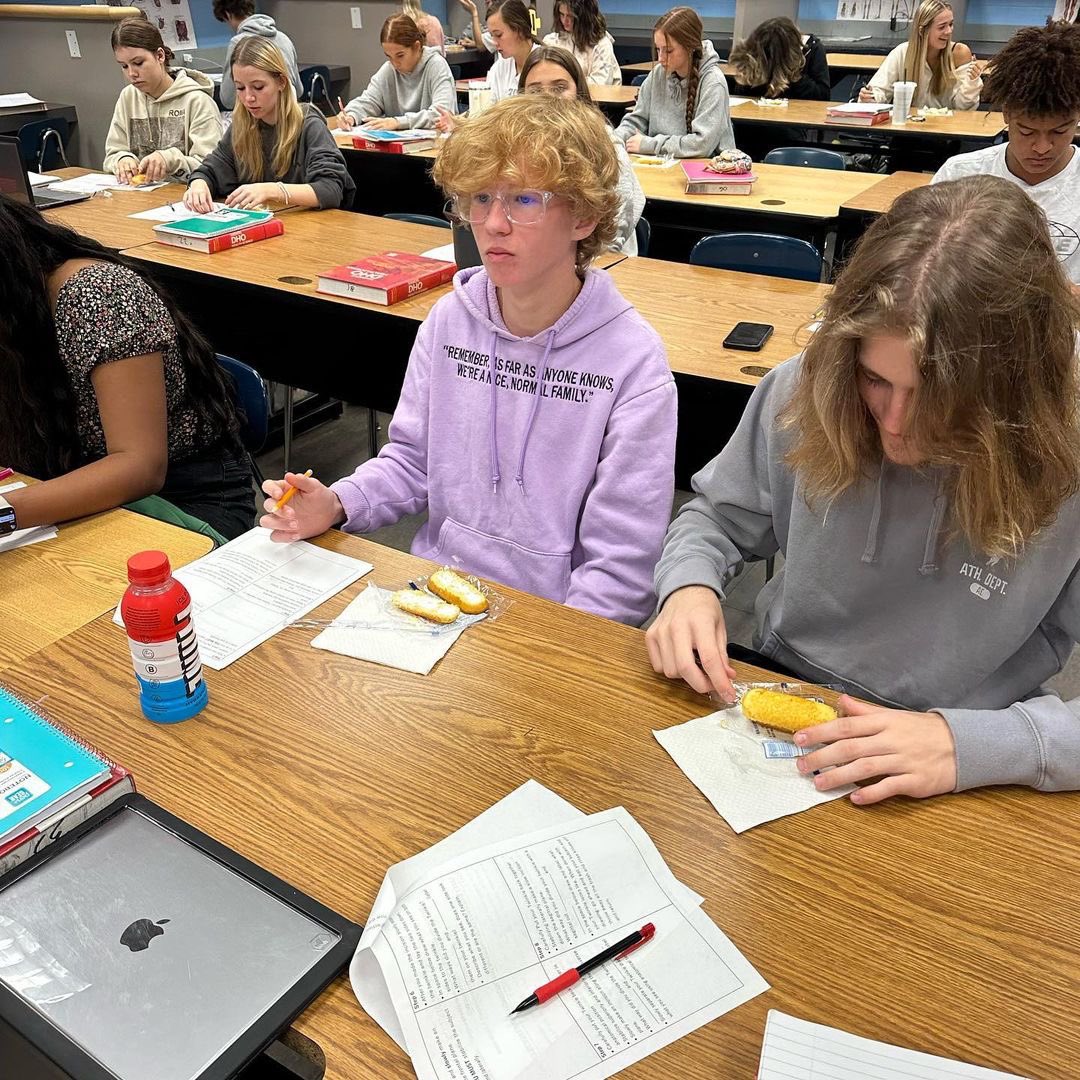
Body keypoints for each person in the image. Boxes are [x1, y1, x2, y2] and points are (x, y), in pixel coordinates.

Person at [647, 175, 1080, 803]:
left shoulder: (1063, 446)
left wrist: (977, 747)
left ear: (1013, 392)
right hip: (784, 685)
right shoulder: (805, 386)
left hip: (963, 745)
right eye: (876, 380)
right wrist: (688, 587)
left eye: (939, 396)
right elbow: (714, 518)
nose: (896, 424)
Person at [259, 95, 677, 626]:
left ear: (585, 216)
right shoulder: (450, 321)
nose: (493, 224)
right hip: (441, 595)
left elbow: (621, 567)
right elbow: (413, 462)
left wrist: (562, 656)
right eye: (480, 198)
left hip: (558, 623)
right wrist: (338, 503)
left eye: (524, 199)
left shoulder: (632, 364)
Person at [0, 195, 254, 539]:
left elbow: (140, 468)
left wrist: (6, 514)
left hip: (179, 500)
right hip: (64, 483)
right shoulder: (17, 309)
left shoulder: (99, 296)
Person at [932, 19, 1080, 287]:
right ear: (1007, 114)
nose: (1042, 147)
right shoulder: (960, 176)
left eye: (1059, 132)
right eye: (1026, 131)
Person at [185, 37, 354, 212]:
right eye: (240, 88)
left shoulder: (308, 124)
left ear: (281, 82)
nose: (248, 98)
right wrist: (199, 184)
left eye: (258, 87)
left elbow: (330, 189)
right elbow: (211, 169)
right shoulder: (243, 125)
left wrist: (273, 190)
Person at [520, 46, 643, 254]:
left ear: (578, 91)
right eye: (536, 90)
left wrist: (579, 267)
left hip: (601, 259)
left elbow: (619, 216)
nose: (549, 97)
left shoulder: (604, 142)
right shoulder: (519, 146)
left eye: (559, 88)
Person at [103, 16, 222, 185]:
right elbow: (112, 154)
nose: (131, 74)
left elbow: (213, 168)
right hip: (137, 198)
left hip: (186, 199)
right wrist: (122, 159)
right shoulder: (127, 97)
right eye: (124, 66)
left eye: (138, 63)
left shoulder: (197, 101)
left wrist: (171, 160)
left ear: (160, 56)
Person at [615, 7, 734, 159]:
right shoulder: (658, 74)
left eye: (668, 51)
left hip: (703, 171)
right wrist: (615, 141)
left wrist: (649, 145)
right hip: (660, 165)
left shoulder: (713, 82)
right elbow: (636, 121)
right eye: (658, 49)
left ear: (690, 47)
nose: (660, 58)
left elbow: (701, 145)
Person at [337, 15, 455, 131]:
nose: (395, 63)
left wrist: (398, 122)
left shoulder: (436, 65)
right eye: (389, 56)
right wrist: (350, 115)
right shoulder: (389, 70)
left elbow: (442, 113)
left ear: (417, 46)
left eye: (400, 55)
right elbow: (369, 101)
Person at [860, 0, 983, 109]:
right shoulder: (902, 52)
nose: (949, 31)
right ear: (922, 30)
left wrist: (971, 84)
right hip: (909, 128)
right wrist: (870, 98)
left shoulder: (959, 52)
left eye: (951, 24)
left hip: (947, 130)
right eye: (941, 27)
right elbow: (879, 90)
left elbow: (963, 108)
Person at [212, 0, 302, 111]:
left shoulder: (238, 43)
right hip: (289, 109)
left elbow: (228, 100)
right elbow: (299, 90)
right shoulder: (284, 38)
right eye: (241, 87)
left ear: (228, 14)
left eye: (258, 87)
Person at [729, 16, 829, 100]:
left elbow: (822, 96)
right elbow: (742, 94)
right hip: (759, 114)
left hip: (799, 116)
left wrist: (794, 74)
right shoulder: (759, 48)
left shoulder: (813, 49)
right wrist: (752, 72)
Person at [542, 0, 621, 86]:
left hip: (595, 97)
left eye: (570, 16)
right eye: (561, 14)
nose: (565, 20)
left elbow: (600, 84)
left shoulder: (602, 45)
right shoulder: (550, 41)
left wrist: (565, 85)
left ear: (584, 17)